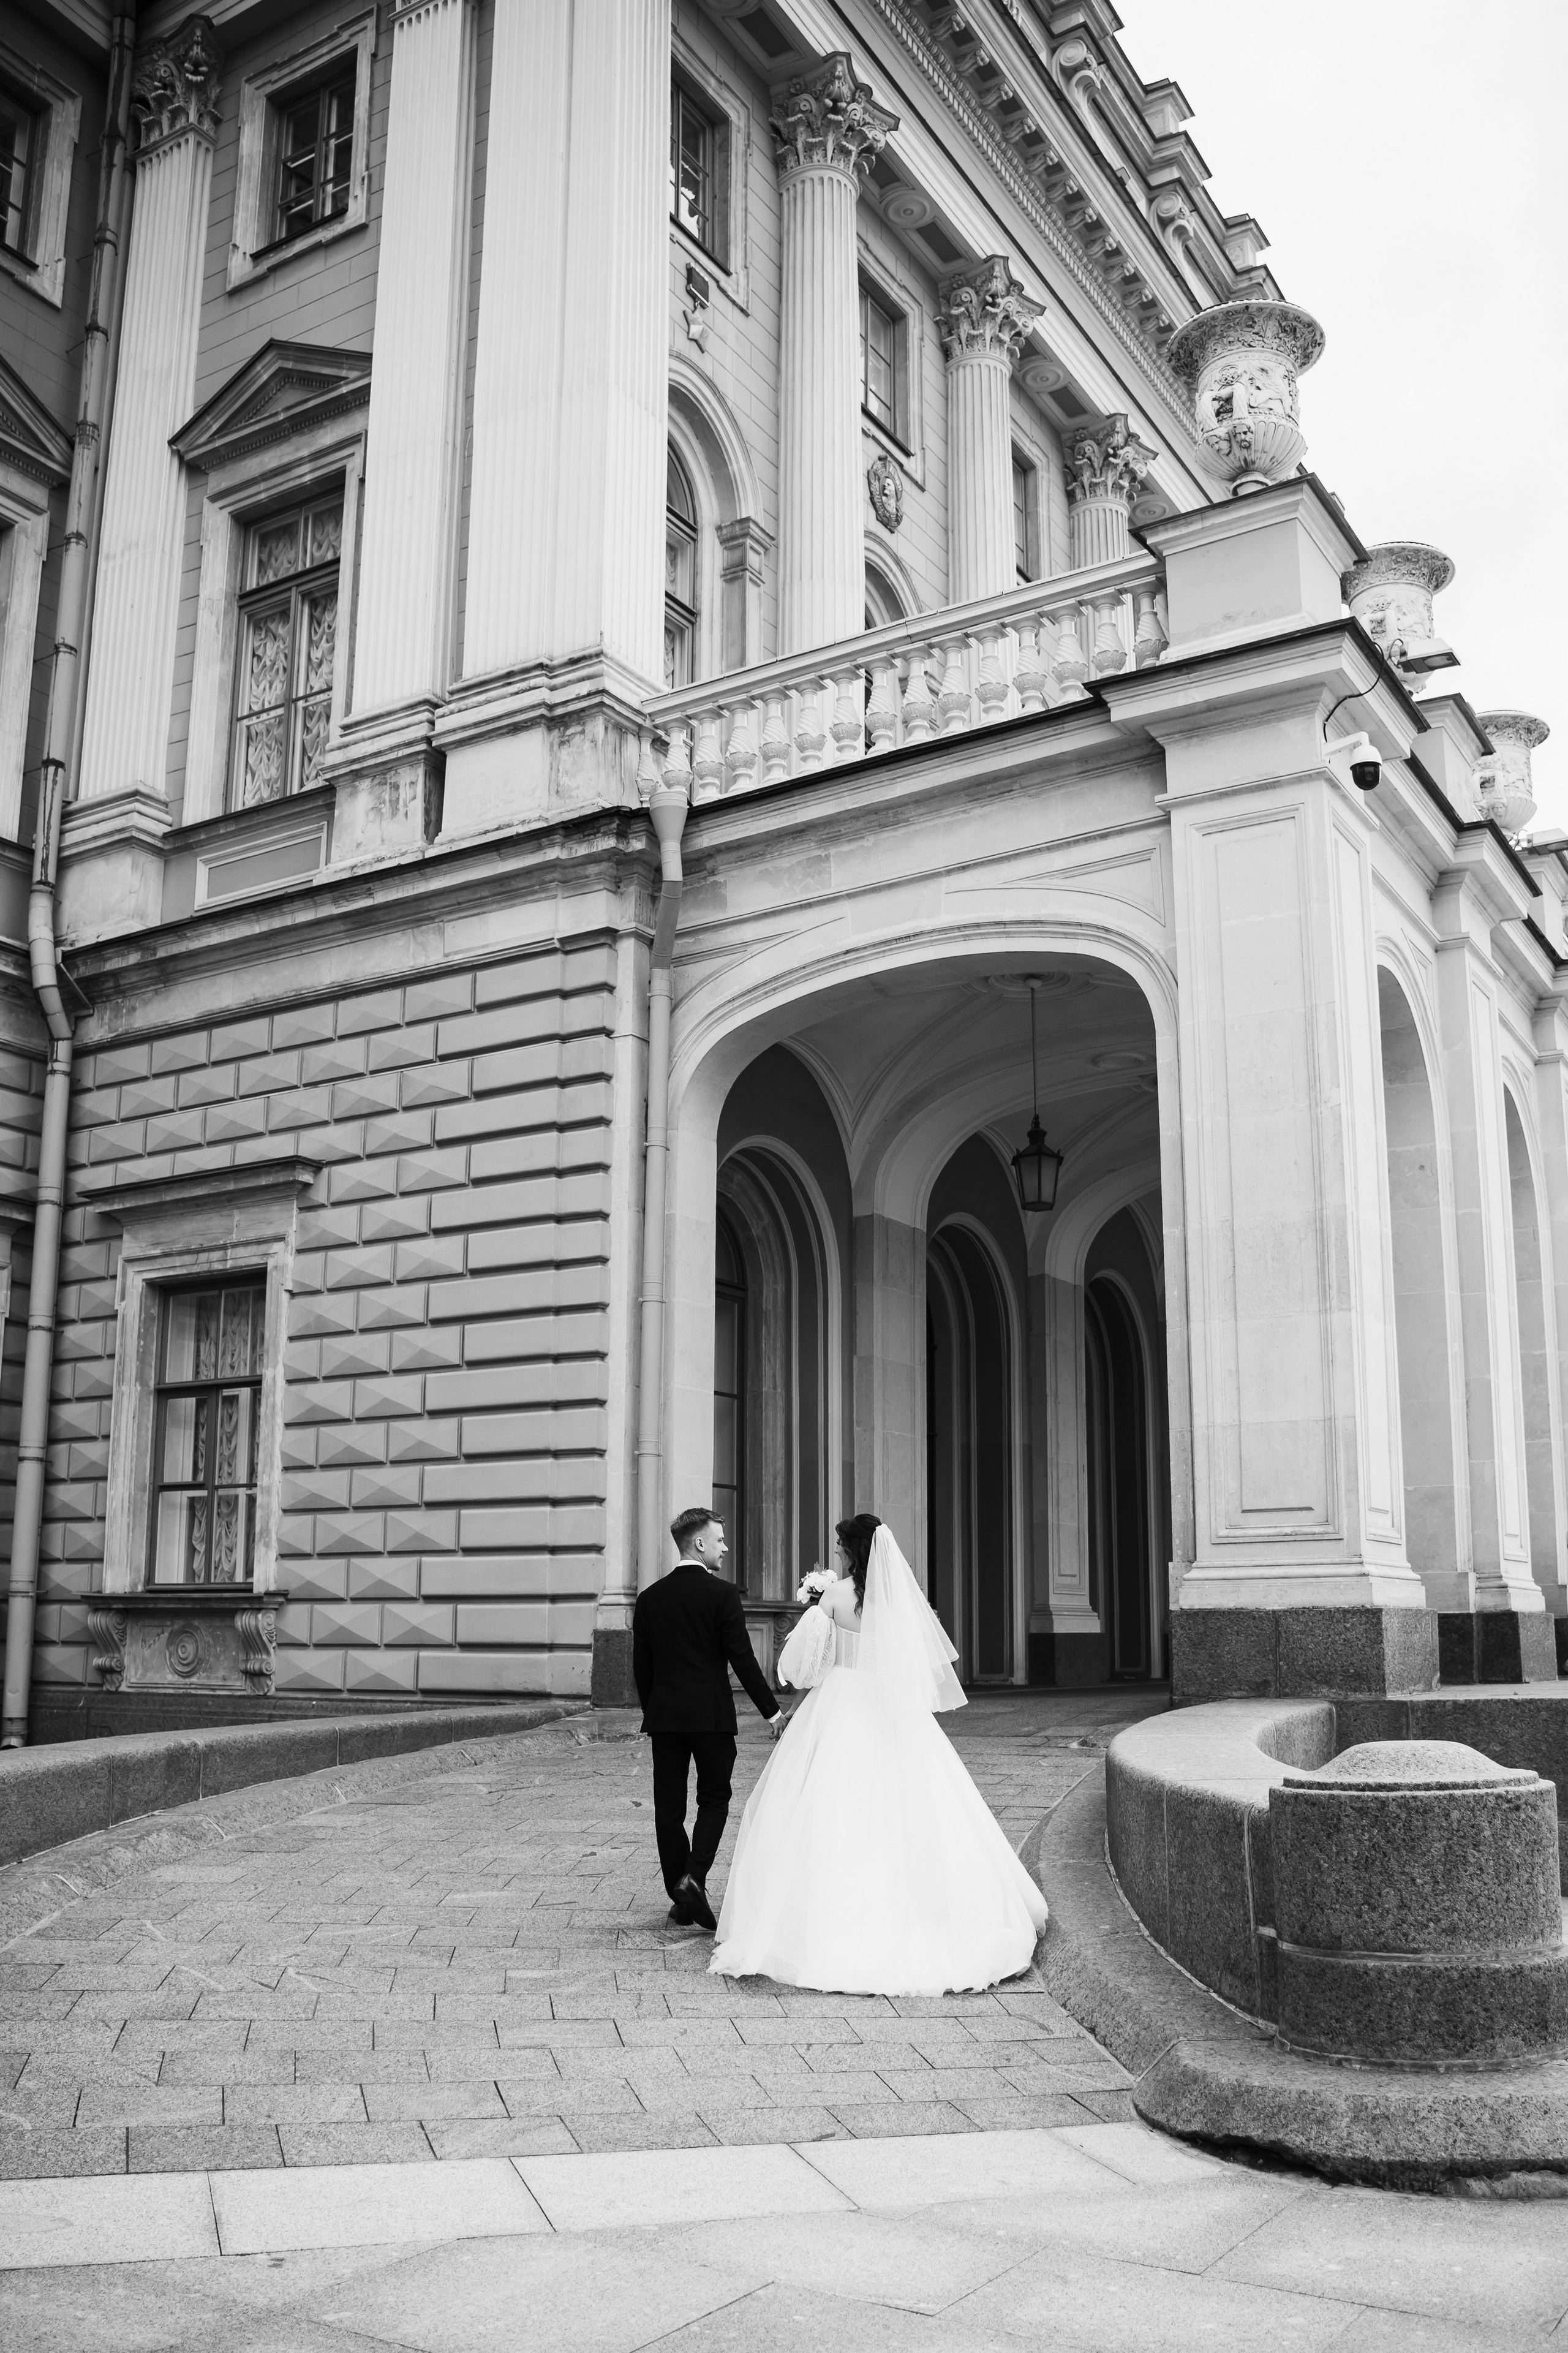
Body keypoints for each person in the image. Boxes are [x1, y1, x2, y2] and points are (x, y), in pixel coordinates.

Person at [710, 1513, 1048, 1994]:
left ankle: (824, 1920)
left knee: (829, 1809)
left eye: (839, 1545)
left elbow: (804, 1668)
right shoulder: (899, 1604)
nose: (837, 1553)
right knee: (914, 1807)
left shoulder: (833, 1597)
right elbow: (916, 1662)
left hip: (840, 1705)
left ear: (850, 1550)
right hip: (893, 1709)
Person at [632, 1506, 785, 1932]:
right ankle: (693, 1878)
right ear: (699, 1543)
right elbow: (743, 1658)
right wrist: (772, 1711)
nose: (725, 1546)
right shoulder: (722, 1594)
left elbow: (642, 1669)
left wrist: (656, 1708)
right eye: (720, 1539)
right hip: (712, 1716)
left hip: (665, 1717)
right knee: (714, 1799)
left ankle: (680, 1894)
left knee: (669, 1806)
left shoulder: (649, 1599)